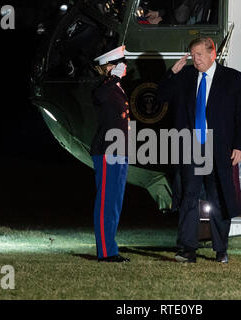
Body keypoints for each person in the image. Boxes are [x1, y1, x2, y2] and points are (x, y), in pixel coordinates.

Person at [158, 37, 241, 263]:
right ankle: (187, 249)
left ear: (213, 54)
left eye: (199, 54)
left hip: (220, 149)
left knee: (218, 198)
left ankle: (221, 250)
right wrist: (172, 73)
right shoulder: (185, 76)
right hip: (191, 148)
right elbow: (161, 97)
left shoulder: (232, 78)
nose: (195, 59)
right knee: (188, 197)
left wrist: (240, 146)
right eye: (192, 54)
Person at [90, 45, 130, 262]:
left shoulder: (117, 87)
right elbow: (98, 97)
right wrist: (113, 78)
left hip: (119, 151)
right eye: (120, 64)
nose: (125, 68)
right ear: (110, 66)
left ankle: (110, 248)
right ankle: (105, 252)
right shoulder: (106, 87)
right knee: (106, 202)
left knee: (114, 202)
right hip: (107, 151)